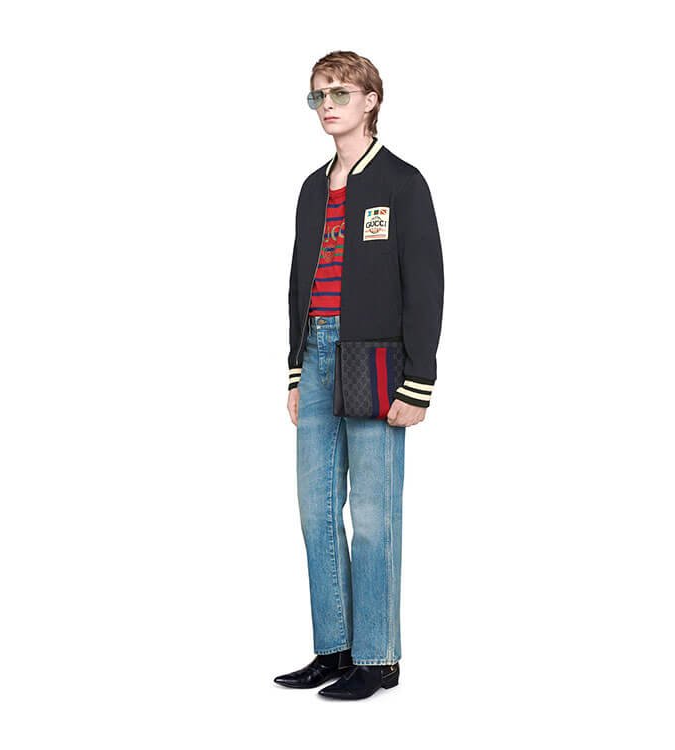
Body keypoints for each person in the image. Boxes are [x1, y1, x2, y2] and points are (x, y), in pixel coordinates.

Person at [274, 50, 444, 701]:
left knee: (373, 515)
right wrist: (295, 370)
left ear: (371, 99)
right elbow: (299, 283)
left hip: (375, 360)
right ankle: (335, 648)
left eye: (340, 92)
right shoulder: (311, 188)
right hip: (317, 354)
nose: (327, 104)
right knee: (315, 511)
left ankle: (377, 657)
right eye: (318, 95)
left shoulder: (402, 183)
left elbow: (425, 287)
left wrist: (418, 382)